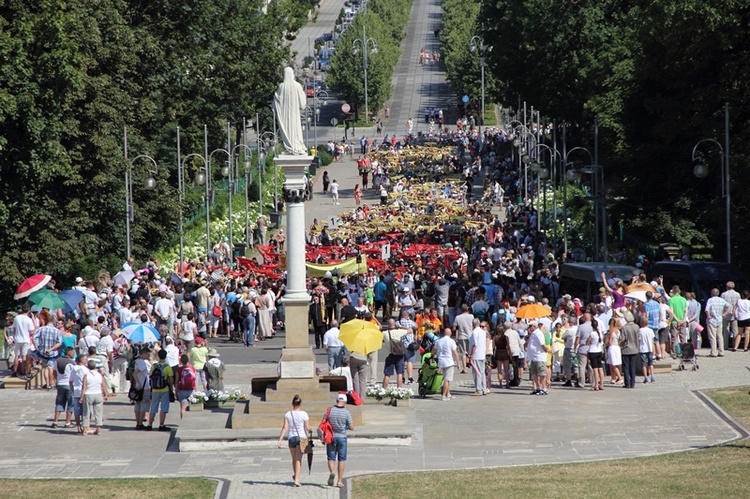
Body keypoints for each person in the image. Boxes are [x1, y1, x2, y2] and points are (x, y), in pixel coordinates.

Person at [277, 394, 311, 488]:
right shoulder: (304, 414)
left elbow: (285, 427)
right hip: (301, 438)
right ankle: (297, 479)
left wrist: (280, 440)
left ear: (292, 404)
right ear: (300, 404)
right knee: (298, 459)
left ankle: (295, 474)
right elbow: (308, 428)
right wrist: (311, 431)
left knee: (294, 458)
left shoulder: (288, 414)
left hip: (291, 437)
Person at [273, 66, 307, 155]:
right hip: (294, 115)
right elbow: (302, 104)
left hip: (284, 116)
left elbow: (276, 101)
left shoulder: (281, 86)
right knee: (296, 130)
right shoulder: (297, 86)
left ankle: (289, 147)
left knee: (287, 129)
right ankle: (297, 147)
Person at [325, 393, 354, 488]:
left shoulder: (329, 411)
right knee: (341, 459)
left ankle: (332, 472)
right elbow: (352, 427)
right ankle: (339, 481)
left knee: (331, 457)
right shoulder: (346, 413)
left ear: (337, 400)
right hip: (342, 437)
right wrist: (345, 426)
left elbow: (324, 423)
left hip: (331, 437)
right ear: (345, 401)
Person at [147, 349, 174, 431]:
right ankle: (161, 425)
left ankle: (150, 424)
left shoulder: (154, 366)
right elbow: (171, 379)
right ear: (165, 356)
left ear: (158, 356)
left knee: (153, 407)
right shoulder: (167, 367)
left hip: (155, 389)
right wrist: (171, 389)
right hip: (164, 388)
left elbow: (150, 376)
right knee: (164, 407)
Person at [80, 358, 108, 435]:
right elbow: (103, 386)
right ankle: (98, 429)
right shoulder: (100, 375)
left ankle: (85, 429)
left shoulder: (86, 375)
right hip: (98, 394)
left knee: (86, 412)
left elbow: (84, 387)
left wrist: (81, 397)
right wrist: (105, 394)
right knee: (99, 412)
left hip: (88, 394)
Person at [432, 327, 459, 401]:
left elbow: (433, 350)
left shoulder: (439, 341)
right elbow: (455, 353)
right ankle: (443, 395)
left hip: (441, 362)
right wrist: (458, 363)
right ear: (450, 333)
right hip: (449, 362)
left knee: (446, 378)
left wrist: (432, 356)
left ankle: (448, 394)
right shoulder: (451, 341)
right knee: (447, 379)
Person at [51, 347, 76, 428]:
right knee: (70, 404)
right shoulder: (72, 362)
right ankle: (67, 422)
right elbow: (74, 374)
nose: (74, 354)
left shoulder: (57, 360)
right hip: (69, 385)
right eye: (73, 352)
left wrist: (56, 380)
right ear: (70, 353)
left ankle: (55, 421)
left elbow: (54, 372)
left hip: (60, 384)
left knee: (59, 403)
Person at [526, 321, 552, 395]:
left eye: (530, 326)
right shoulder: (533, 334)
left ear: (534, 326)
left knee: (542, 374)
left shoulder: (539, 333)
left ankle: (544, 388)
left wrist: (548, 350)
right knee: (534, 373)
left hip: (539, 356)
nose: (529, 328)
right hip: (533, 357)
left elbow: (542, 344)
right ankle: (538, 387)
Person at [11, 303, 35, 377]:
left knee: (16, 356)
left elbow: (14, 330)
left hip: (17, 338)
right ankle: (23, 371)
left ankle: (15, 371)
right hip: (25, 339)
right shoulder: (28, 319)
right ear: (28, 310)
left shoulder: (17, 318)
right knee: (24, 356)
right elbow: (31, 332)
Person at [705, 288, 730, 357]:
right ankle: (721, 352)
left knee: (712, 337)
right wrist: (724, 314)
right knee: (720, 336)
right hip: (719, 319)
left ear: (711, 293)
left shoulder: (710, 300)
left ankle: (714, 352)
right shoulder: (722, 300)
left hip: (712, 320)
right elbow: (729, 307)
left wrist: (708, 316)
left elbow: (707, 309)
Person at [619, 308, 639, 389]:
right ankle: (633, 382)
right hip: (634, 348)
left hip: (626, 348)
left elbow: (622, 338)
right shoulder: (636, 326)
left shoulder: (624, 328)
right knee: (632, 366)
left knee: (626, 367)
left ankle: (627, 383)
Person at [133, 347, 152, 430]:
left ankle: (138, 423)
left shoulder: (136, 361)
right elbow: (135, 373)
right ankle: (140, 423)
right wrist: (140, 383)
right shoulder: (142, 363)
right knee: (143, 405)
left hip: (138, 386)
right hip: (144, 386)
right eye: (147, 354)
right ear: (143, 354)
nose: (148, 356)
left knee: (138, 405)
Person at [468, 318, 487, 395]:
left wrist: (471, 355)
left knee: (477, 372)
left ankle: (479, 389)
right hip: (482, 354)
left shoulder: (475, 332)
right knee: (482, 372)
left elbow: (474, 345)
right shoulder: (483, 332)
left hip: (476, 355)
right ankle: (484, 388)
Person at [176, 354, 197, 419]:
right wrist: (195, 389)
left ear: (181, 361)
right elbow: (195, 379)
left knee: (183, 408)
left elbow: (177, 382)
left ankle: (182, 420)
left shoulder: (179, 370)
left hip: (182, 390)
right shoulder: (193, 368)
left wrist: (176, 391)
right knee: (192, 408)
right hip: (192, 390)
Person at [587, 319, 604, 391]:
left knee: (595, 369)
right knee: (600, 368)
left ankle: (596, 385)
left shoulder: (592, 333)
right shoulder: (600, 333)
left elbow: (587, 342)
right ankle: (602, 384)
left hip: (593, 351)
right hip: (599, 350)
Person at [638, 317, 656, 383]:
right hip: (649, 348)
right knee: (650, 363)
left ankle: (645, 377)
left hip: (642, 348)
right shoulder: (650, 330)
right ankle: (652, 376)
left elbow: (639, 339)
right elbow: (652, 341)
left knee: (644, 364)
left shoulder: (640, 331)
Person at [605, 318, 622, 384]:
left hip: (612, 347)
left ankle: (619, 378)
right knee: (613, 363)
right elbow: (620, 340)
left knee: (613, 364)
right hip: (617, 347)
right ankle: (613, 378)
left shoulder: (610, 331)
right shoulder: (618, 331)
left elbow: (608, 341)